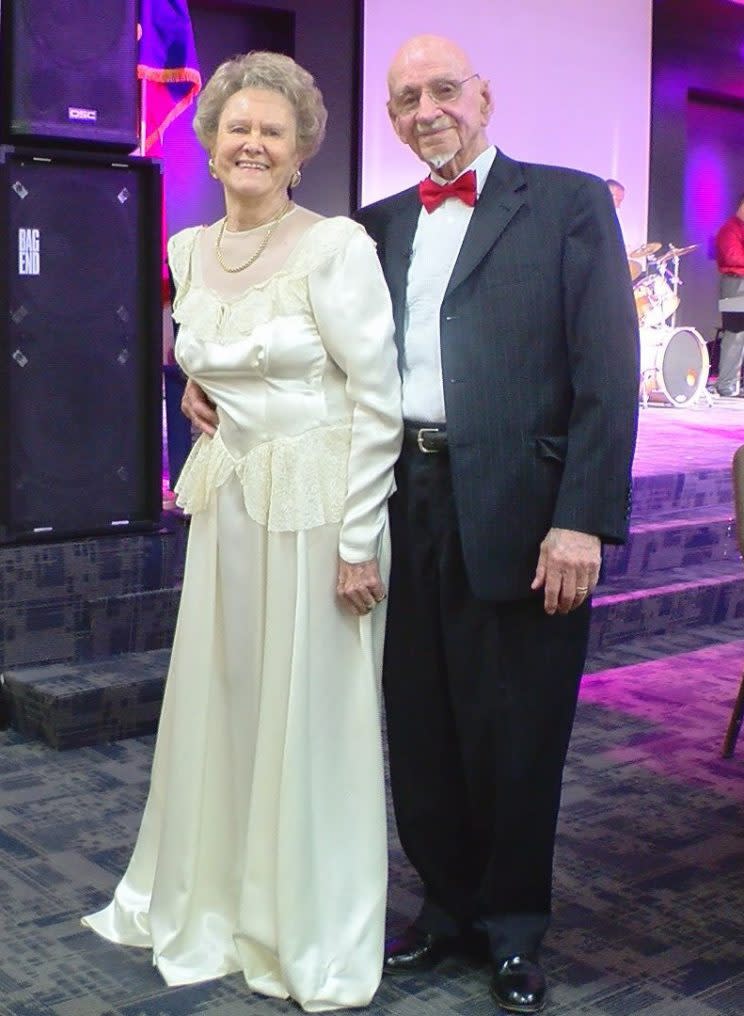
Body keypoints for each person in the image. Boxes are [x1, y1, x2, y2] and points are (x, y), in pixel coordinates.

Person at [182, 33, 640, 1015]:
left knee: (517, 730)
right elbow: (312, 358)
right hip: (396, 499)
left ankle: (514, 926)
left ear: (484, 95)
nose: (426, 108)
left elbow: (607, 374)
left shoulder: (566, 203)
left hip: (523, 508)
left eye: (443, 90)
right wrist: (211, 393)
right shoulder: (368, 227)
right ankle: (445, 908)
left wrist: (583, 522)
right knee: (419, 724)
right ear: (389, 118)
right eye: (406, 98)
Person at [83, 51, 402, 1013]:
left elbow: (378, 399)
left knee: (312, 719)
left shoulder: (335, 245)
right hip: (229, 513)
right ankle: (214, 893)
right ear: (213, 144)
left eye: (273, 130)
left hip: (321, 515)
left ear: (300, 150)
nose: (252, 142)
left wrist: (357, 538)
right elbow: (212, 356)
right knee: (225, 704)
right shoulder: (186, 249)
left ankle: (302, 920)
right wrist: (197, 386)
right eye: (237, 127)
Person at [713, 194, 744, 397]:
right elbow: (733, 256)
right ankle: (726, 384)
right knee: (734, 334)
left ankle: (735, 382)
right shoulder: (729, 229)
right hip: (734, 284)